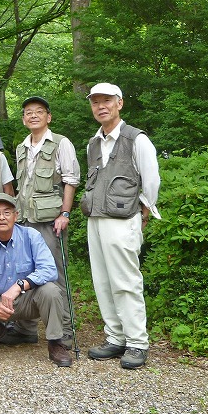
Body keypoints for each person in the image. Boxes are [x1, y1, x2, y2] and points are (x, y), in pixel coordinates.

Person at [81, 83, 161, 370]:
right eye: (95, 102)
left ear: (120, 103)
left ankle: (137, 342)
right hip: (96, 219)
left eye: (107, 101)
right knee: (103, 282)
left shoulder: (136, 139)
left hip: (123, 219)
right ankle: (115, 337)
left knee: (126, 281)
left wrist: (144, 206)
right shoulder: (93, 143)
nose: (101, 106)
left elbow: (151, 179)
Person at [0, 193, 72, 367]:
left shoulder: (31, 236)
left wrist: (19, 286)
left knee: (51, 290)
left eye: (7, 212)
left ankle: (56, 343)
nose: (1, 217)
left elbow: (49, 270)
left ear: (16, 216)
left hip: (28, 300)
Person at [4, 96, 80, 347]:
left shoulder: (61, 143)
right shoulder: (21, 147)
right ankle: (25, 328)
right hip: (24, 220)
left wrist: (65, 213)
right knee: (24, 271)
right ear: (24, 119)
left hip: (49, 221)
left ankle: (65, 330)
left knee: (55, 274)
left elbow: (70, 180)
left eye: (39, 111)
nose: (33, 115)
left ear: (49, 117)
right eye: (28, 112)